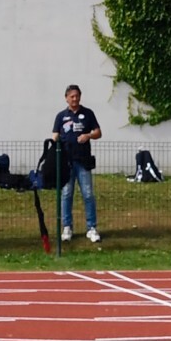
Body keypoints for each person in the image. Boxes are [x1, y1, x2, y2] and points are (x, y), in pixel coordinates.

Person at [53, 84, 102, 245]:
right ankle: (67, 227)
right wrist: (57, 141)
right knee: (66, 194)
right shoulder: (61, 116)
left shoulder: (88, 114)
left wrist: (88, 136)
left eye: (77, 96)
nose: (75, 99)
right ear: (66, 98)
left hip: (83, 161)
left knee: (88, 194)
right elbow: (55, 135)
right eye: (72, 96)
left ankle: (91, 228)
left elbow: (98, 132)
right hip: (66, 162)